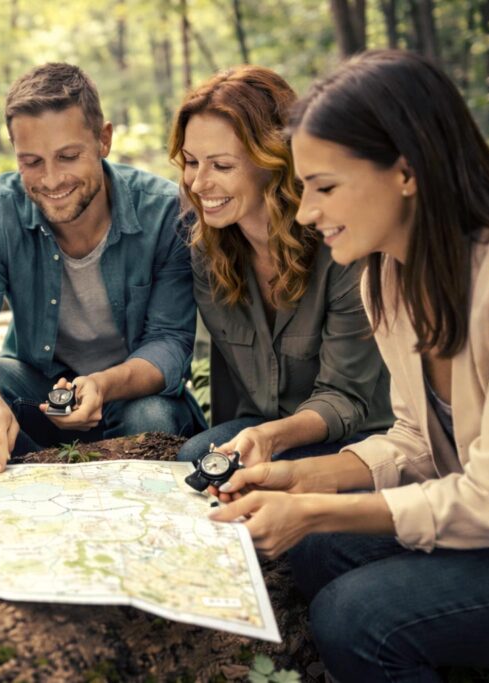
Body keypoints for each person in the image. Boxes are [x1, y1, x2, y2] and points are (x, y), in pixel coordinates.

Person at [212, 50, 489, 680]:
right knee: (318, 554)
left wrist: (319, 508)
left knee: (358, 616)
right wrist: (298, 480)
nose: (308, 212)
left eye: (324, 186)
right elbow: (413, 442)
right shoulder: (386, 277)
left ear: (405, 170)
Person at [0, 63, 202, 472]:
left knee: (152, 419)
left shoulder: (165, 212)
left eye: (68, 156)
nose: (51, 179)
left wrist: (101, 384)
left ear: (104, 140)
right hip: (36, 388)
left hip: (130, 393)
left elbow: (170, 342)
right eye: (32, 161)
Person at [168, 66, 393, 467]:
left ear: (272, 160)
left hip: (358, 439)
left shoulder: (342, 247)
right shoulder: (207, 248)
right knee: (196, 457)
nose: (199, 184)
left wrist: (270, 437)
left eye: (221, 166)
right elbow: (226, 383)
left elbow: (345, 399)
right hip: (260, 430)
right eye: (190, 162)